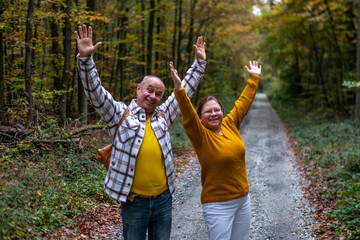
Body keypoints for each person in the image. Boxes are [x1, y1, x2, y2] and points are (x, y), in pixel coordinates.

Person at [74, 24, 207, 240]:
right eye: (150, 90)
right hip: (135, 202)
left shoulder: (163, 115)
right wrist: (86, 60)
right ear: (139, 89)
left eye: (159, 93)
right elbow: (95, 92)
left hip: (164, 200)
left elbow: (185, 91)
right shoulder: (120, 114)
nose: (154, 96)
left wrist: (199, 64)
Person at [170, 60, 261, 240]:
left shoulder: (229, 124)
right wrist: (180, 91)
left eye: (217, 110)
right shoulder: (201, 136)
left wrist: (254, 79)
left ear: (222, 111)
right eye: (208, 111)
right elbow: (188, 115)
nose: (213, 114)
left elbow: (243, 104)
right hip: (218, 205)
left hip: (243, 200)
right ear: (201, 117)